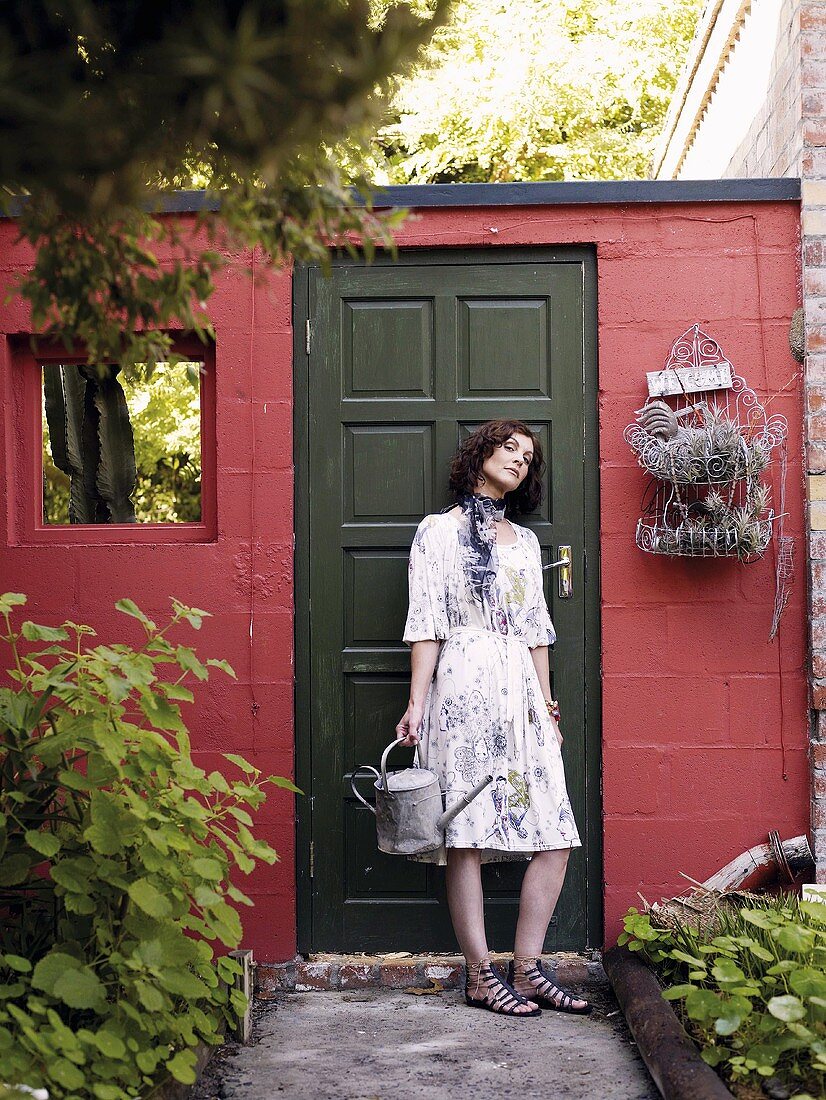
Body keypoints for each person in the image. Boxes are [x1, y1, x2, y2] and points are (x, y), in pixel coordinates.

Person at [395, 419, 590, 1019]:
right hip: (461, 682)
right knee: (467, 836)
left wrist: (547, 704)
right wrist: (417, 702)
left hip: (520, 692)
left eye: (529, 458)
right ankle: (480, 974)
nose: (519, 460)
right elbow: (426, 623)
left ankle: (526, 968)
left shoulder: (526, 544)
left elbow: (537, 632)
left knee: (555, 831)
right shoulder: (435, 533)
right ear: (480, 454)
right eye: (509, 448)